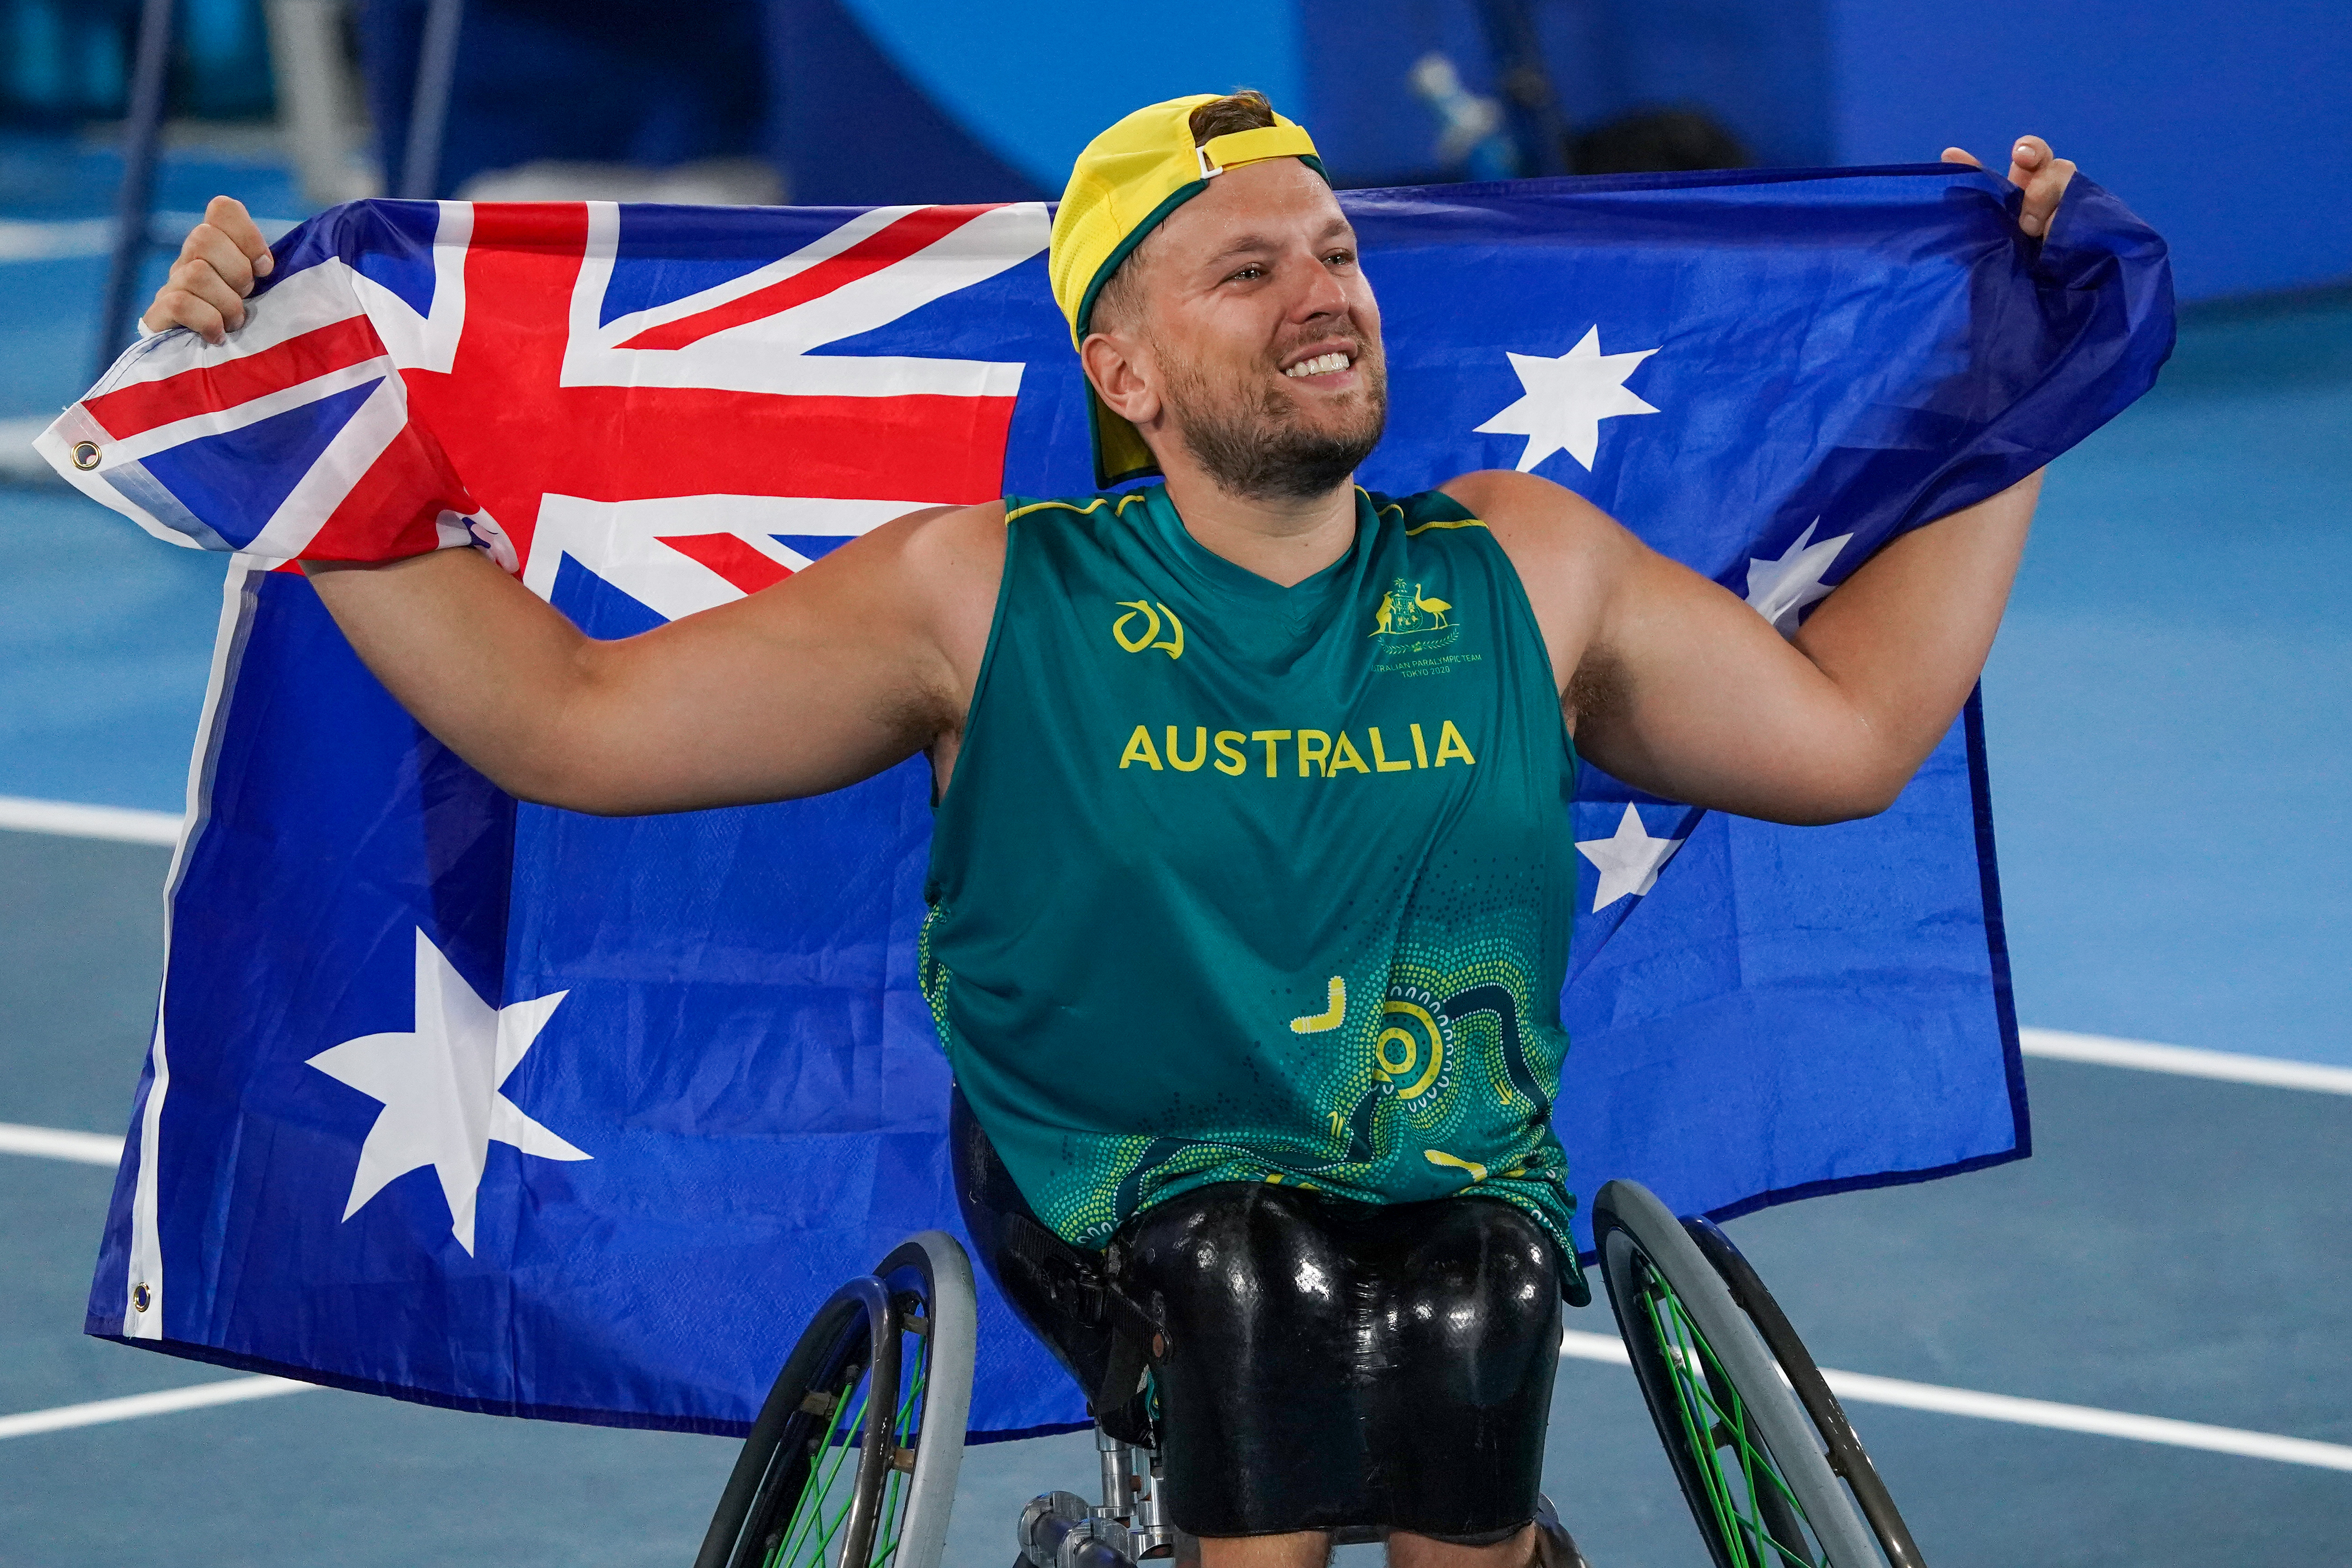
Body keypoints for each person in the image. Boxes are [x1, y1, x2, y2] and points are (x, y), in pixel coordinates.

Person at [146, 93, 2075, 1568]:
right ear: (1122, 369)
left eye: (1332, 253)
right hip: (1110, 1179)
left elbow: (1842, 732)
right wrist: (282, 427)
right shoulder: (981, 598)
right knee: (1257, 1273)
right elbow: (569, 721)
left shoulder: (1522, 569)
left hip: (1440, 1165)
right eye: (1248, 271)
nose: (1320, 291)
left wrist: (2027, 380)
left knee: (1472, 1279)